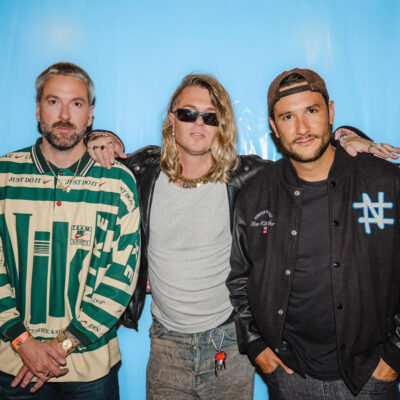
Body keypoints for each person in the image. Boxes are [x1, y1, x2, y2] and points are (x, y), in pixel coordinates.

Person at [86, 72, 399, 400]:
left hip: (228, 342)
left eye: (210, 116)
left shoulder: (248, 177)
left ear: (222, 124)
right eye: (188, 113)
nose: (198, 123)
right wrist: (98, 137)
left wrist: (345, 137)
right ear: (171, 119)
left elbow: (308, 154)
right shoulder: (142, 172)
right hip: (166, 342)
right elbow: (76, 149)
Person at [227, 67, 400, 399]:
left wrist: (393, 357)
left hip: (371, 378)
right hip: (290, 378)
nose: (302, 128)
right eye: (288, 117)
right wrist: (256, 346)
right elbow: (240, 279)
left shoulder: (385, 182)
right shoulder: (255, 193)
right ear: (274, 127)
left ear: (331, 112)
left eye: (311, 111)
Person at [0, 62, 140, 400]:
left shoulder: (118, 181)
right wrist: (23, 342)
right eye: (53, 102)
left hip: (92, 369)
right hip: (14, 363)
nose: (64, 115)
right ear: (38, 109)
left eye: (76, 104)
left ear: (90, 115)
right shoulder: (4, 175)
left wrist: (61, 346)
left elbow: (122, 275)